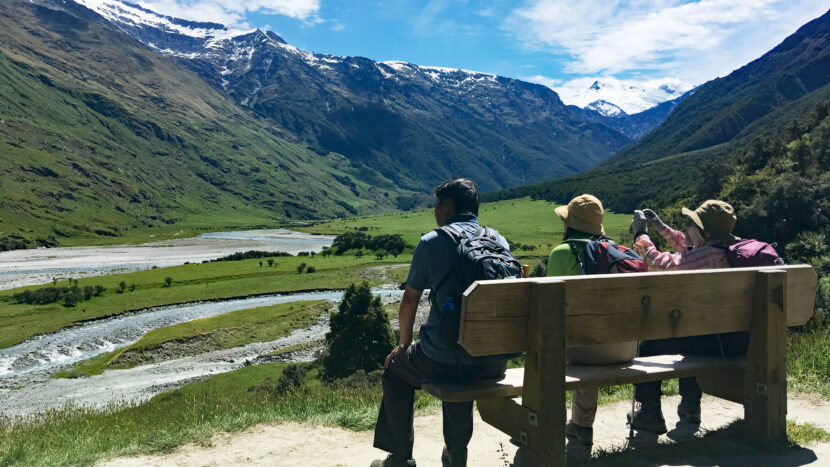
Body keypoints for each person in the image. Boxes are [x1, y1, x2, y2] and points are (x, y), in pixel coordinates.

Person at [371, 178, 510, 467]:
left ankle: (399, 457)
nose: (435, 210)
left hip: (447, 360)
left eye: (437, 204)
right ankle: (456, 452)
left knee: (397, 368)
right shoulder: (498, 240)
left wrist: (404, 345)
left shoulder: (433, 242)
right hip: (494, 361)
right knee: (457, 357)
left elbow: (409, 301)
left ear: (447, 206)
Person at [628, 199, 749, 433]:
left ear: (703, 231)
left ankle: (649, 413)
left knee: (651, 343)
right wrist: (661, 227)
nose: (686, 228)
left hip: (718, 343)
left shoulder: (709, 256)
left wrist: (641, 234)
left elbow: (660, 263)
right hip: (739, 338)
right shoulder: (730, 248)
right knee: (692, 335)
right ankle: (690, 408)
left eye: (690, 224)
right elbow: (690, 248)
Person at [547, 194, 637, 450]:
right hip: (626, 349)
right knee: (595, 334)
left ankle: (545, 421)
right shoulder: (619, 254)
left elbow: (547, 310)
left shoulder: (562, 253)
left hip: (584, 350)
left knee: (554, 341)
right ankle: (581, 424)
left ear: (569, 224)